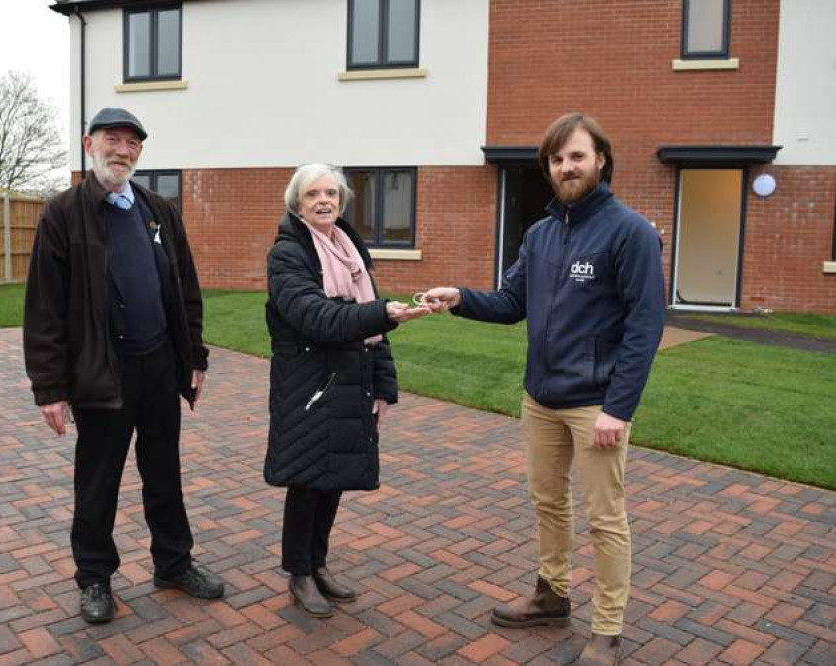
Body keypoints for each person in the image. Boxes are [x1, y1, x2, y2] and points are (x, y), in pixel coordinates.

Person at [421, 113, 664, 666]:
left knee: (605, 518)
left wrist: (618, 409)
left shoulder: (631, 233)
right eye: (556, 159)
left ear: (601, 159)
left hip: (595, 404)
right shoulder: (541, 233)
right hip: (541, 399)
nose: (565, 167)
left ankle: (607, 629)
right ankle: (552, 595)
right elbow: (512, 304)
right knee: (547, 503)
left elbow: (645, 327)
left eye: (576, 156)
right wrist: (460, 297)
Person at [23, 107, 223, 625]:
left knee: (164, 473)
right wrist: (49, 386)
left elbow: (186, 290)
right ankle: (94, 578)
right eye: (113, 140)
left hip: (159, 366)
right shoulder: (63, 213)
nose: (123, 150)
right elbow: (44, 308)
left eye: (132, 143)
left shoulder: (159, 212)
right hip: (102, 374)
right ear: (89, 144)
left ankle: (174, 563)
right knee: (98, 482)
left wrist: (193, 356)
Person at [264, 163, 425, 618]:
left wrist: (383, 386)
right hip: (307, 385)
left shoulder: (350, 251)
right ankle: (298, 573)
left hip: (350, 380)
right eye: (313, 193)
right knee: (307, 478)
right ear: (297, 202)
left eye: (331, 193)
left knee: (332, 478)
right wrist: (382, 312)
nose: (324, 200)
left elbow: (374, 333)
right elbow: (316, 316)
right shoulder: (287, 255)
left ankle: (318, 564)